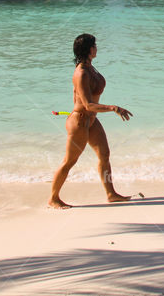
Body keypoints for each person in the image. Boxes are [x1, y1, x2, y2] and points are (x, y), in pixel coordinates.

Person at [49, 33, 133, 209]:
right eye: (94, 45)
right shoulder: (81, 74)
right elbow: (87, 105)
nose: (96, 48)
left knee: (104, 155)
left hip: (92, 121)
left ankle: (111, 193)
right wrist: (113, 108)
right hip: (79, 122)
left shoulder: (91, 69)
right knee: (69, 161)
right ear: (88, 49)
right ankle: (53, 198)